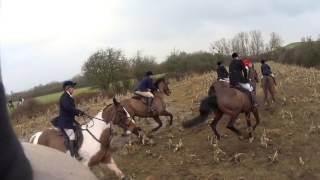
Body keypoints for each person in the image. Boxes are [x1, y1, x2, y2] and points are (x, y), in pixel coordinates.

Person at [54, 81, 84, 160]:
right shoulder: (64, 97)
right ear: (67, 88)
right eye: (72, 87)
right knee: (71, 135)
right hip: (65, 121)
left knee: (79, 128)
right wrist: (77, 111)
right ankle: (74, 155)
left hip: (69, 120)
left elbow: (71, 109)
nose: (74, 89)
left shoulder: (69, 96)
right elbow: (68, 108)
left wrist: (79, 113)